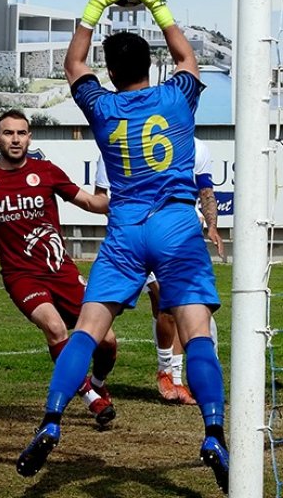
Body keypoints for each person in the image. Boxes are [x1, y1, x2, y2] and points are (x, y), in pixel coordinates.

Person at [16, 0, 230, 493]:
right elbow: (187, 56)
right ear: (151, 67)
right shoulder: (177, 94)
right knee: (196, 333)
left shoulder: (103, 106)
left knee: (86, 332)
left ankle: (52, 419)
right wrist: (157, 3)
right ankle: (213, 433)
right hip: (177, 226)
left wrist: (95, 2)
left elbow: (72, 64)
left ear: (111, 72)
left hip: (126, 228)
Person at [0, 109, 118, 426]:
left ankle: (99, 383)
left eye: (21, 133)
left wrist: (129, 200)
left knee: (108, 340)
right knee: (56, 329)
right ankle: (92, 399)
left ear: (29, 137)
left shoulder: (47, 172)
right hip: (21, 276)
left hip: (60, 270)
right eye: (8, 133)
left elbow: (91, 203)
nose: (15, 139)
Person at [93, 137, 225, 404]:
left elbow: (206, 192)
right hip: (135, 239)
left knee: (192, 311)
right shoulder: (118, 145)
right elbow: (100, 197)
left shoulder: (196, 146)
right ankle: (168, 373)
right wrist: (130, 215)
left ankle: (186, 377)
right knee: (158, 301)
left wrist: (211, 225)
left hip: (182, 238)